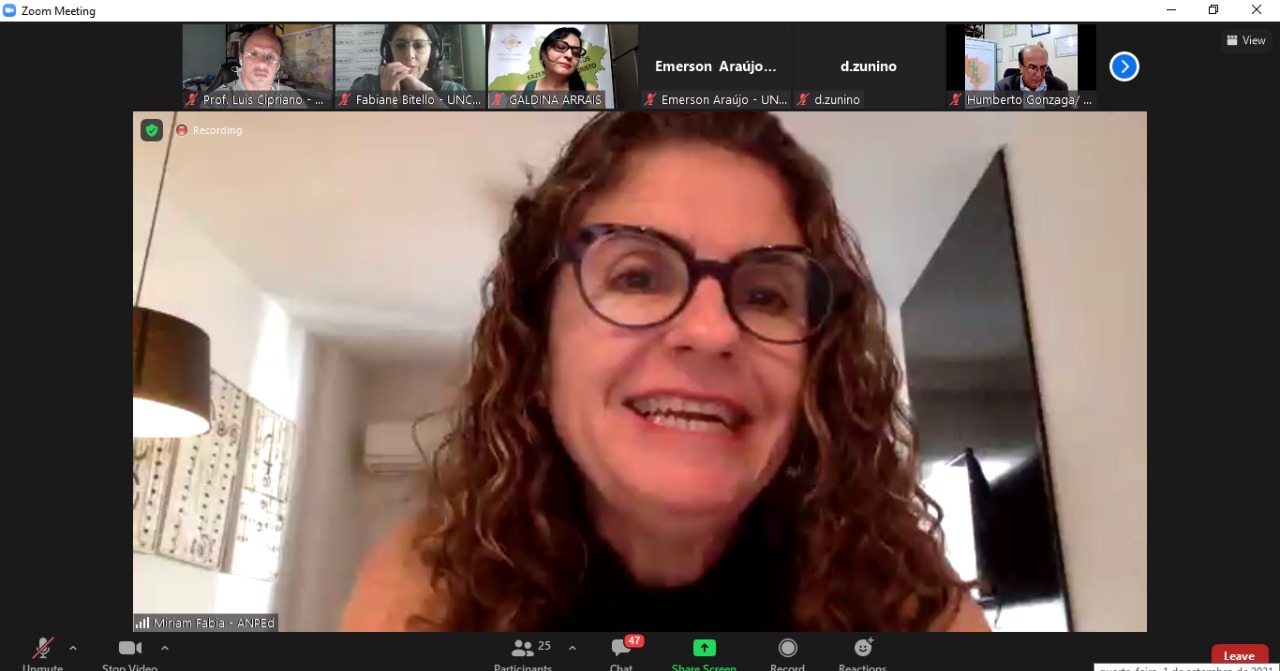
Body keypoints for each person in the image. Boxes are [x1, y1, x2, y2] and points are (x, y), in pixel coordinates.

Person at [342, 112, 992, 633]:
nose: (712, 332)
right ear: (537, 349)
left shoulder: (910, 606)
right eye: (638, 278)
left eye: (765, 295)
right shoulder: (428, 594)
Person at [348, 23, 468, 94]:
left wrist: (429, 98)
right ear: (390, 50)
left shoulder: (453, 91)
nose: (410, 55)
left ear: (433, 53)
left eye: (419, 45)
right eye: (400, 45)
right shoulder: (365, 86)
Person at [206, 26, 307, 105]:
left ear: (278, 63)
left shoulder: (291, 97)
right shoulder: (217, 100)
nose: (262, 63)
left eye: (270, 56)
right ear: (241, 58)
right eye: (253, 54)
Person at [521, 27, 598, 94]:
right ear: (543, 53)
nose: (569, 55)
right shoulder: (521, 91)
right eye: (560, 47)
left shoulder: (590, 93)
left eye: (576, 53)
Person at [995, 42, 1068, 92]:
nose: (1039, 75)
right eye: (1032, 68)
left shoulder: (1060, 87)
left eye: (1043, 68)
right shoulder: (1003, 88)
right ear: (1021, 67)